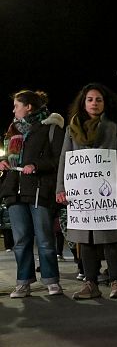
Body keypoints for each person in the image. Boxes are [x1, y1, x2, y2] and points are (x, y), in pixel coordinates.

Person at [55, 83, 117, 300]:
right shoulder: (72, 128)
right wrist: (60, 188)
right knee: (86, 239)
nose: (94, 103)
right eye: (90, 99)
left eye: (98, 99)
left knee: (110, 238)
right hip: (82, 194)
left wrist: (114, 171)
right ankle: (91, 284)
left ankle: (116, 282)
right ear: (83, 102)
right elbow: (64, 158)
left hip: (107, 193)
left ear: (105, 102)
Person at [1, 90, 65, 298]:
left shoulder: (49, 127)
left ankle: (51, 281)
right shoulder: (12, 129)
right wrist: (3, 164)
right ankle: (23, 282)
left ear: (28, 106)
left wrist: (36, 165)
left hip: (38, 191)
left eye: (16, 105)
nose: (13, 109)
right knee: (21, 240)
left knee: (45, 239)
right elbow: (10, 159)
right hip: (14, 191)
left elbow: (58, 160)